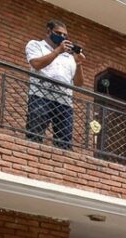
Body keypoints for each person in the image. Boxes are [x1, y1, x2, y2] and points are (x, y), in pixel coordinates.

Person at [25, 19, 82, 149]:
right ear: (48, 31)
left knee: (64, 144)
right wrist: (58, 51)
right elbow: (36, 64)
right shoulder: (36, 45)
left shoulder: (69, 56)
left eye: (64, 35)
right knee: (34, 136)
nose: (62, 37)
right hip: (41, 96)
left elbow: (78, 83)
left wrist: (79, 63)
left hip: (65, 102)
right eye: (58, 33)